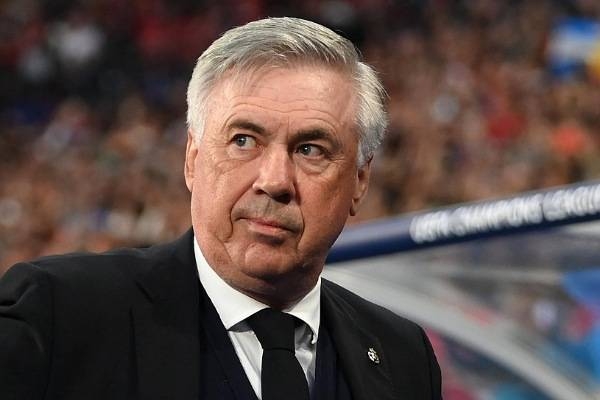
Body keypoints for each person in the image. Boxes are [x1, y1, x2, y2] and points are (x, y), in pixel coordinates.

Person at [0, 17, 441, 400]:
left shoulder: (403, 356)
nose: (274, 181)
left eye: (310, 149)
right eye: (243, 140)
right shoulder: (58, 318)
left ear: (359, 181)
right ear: (192, 159)